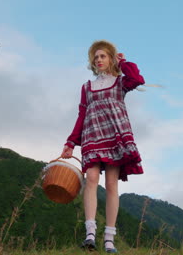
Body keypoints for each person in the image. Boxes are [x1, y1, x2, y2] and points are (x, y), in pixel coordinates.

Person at [61, 40, 144, 253]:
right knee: (91, 179)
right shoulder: (87, 87)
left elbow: (137, 79)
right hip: (91, 135)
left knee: (111, 184)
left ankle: (109, 238)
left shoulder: (120, 82)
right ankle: (90, 233)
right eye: (96, 57)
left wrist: (122, 62)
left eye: (103, 56)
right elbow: (82, 115)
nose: (98, 60)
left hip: (114, 135)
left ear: (110, 59)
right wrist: (71, 142)